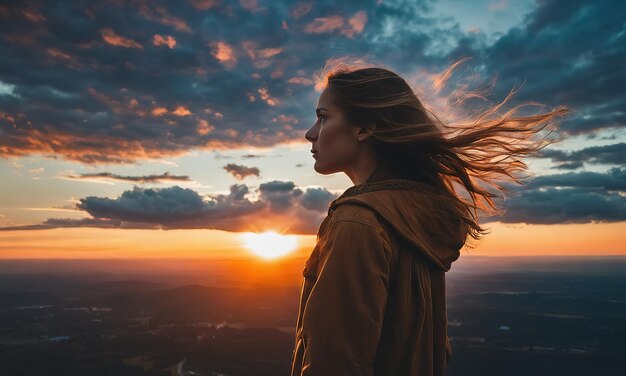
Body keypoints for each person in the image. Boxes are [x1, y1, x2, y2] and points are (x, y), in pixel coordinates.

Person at [290, 57, 569, 376]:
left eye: (323, 118)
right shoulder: (409, 215)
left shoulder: (358, 223)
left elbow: (337, 366)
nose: (310, 133)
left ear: (364, 128)